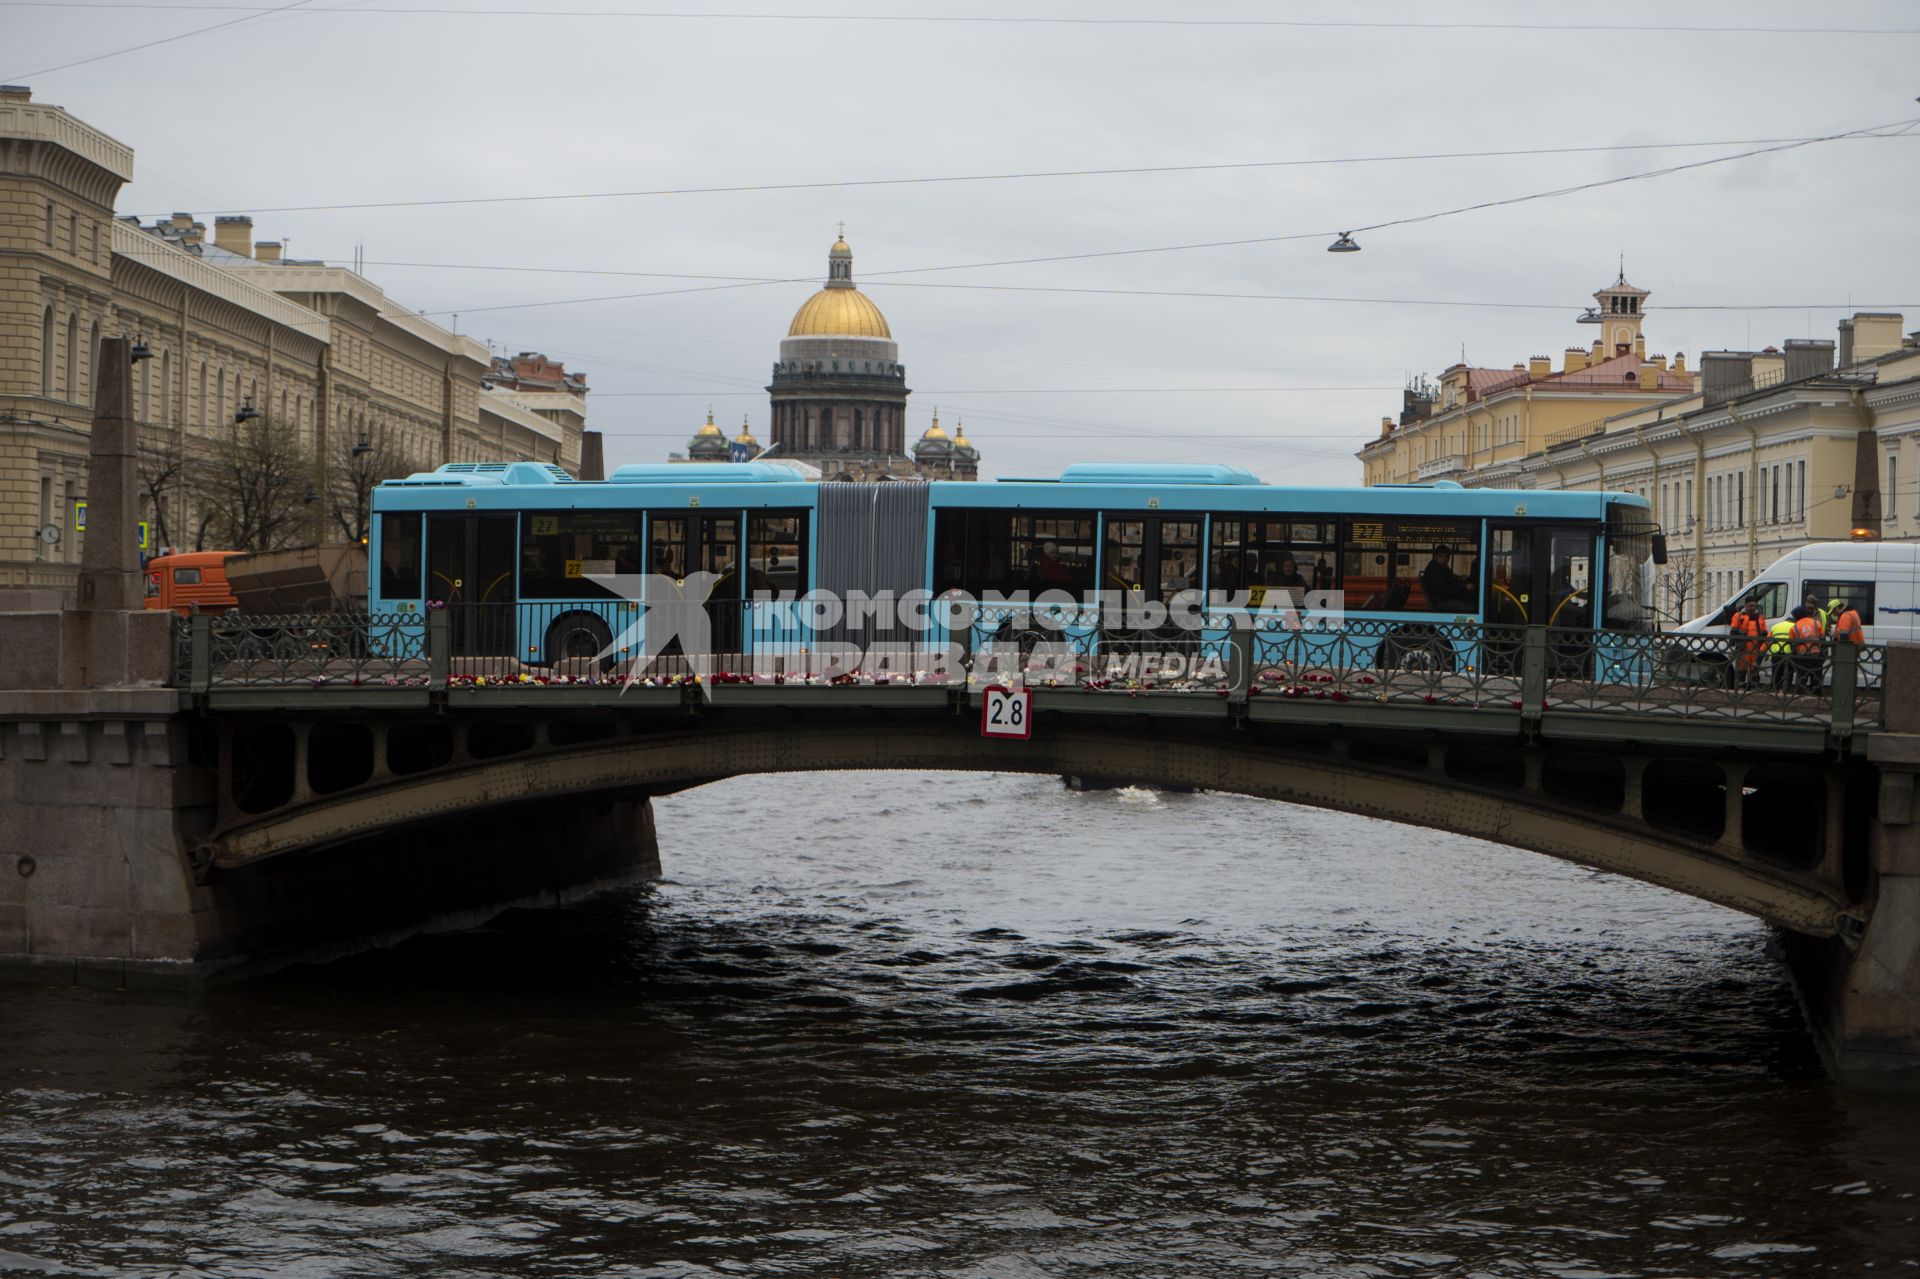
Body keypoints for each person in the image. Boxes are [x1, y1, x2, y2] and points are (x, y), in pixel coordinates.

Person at [1727, 596, 1767, 688]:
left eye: (1754, 606)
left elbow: (1764, 634)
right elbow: (1733, 632)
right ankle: (1740, 689)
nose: (1752, 608)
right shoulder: (1738, 616)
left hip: (1756, 649)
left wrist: (1764, 648)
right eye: (1750, 606)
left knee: (1755, 669)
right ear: (1745, 605)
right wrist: (1731, 646)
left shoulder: (1761, 618)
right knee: (1741, 669)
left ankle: (1753, 689)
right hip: (1742, 648)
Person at [1419, 544, 1471, 612]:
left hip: (1444, 599)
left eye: (1448, 557)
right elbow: (1444, 589)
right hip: (1442, 601)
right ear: (1438, 556)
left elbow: (1451, 579)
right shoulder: (1434, 570)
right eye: (1446, 557)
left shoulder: (1441, 567)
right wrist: (1463, 587)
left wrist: (1459, 580)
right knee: (1469, 609)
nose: (1448, 560)